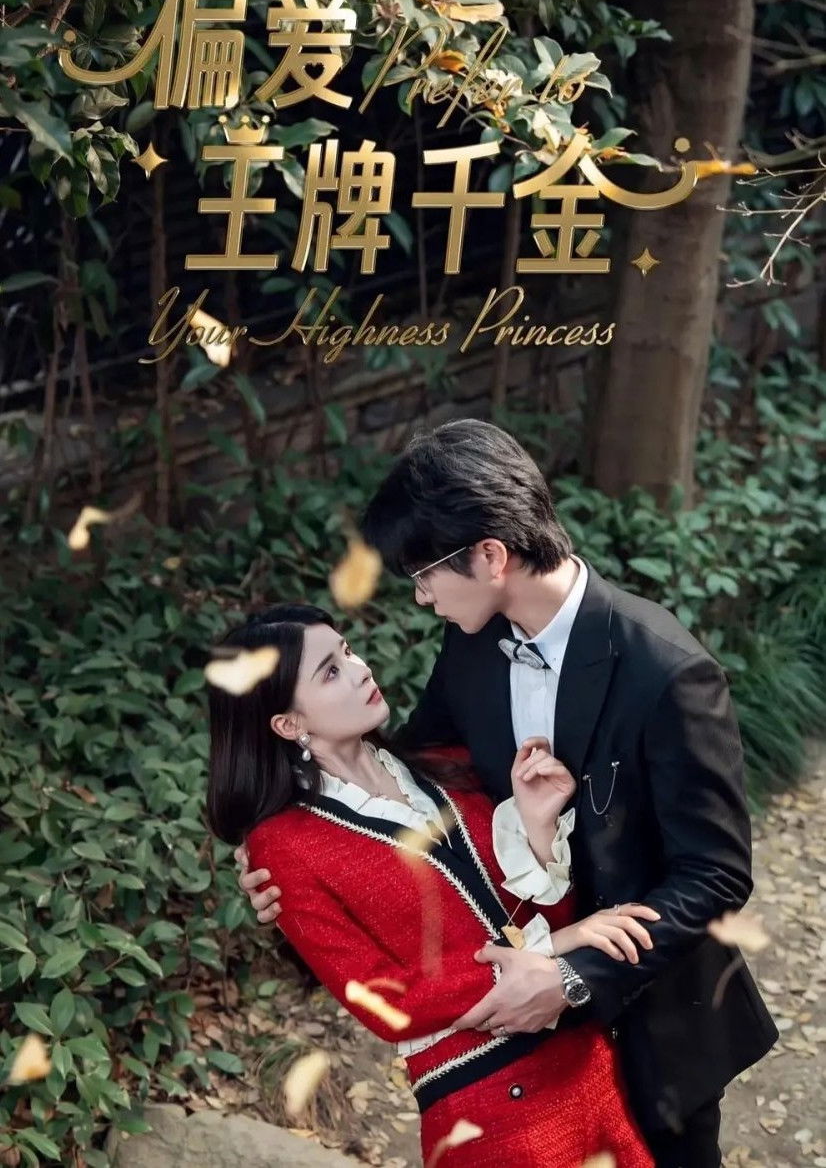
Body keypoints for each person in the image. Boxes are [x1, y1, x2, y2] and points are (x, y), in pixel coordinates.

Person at [237, 420, 778, 1168]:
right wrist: (285, 866)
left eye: (424, 573)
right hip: (524, 1060)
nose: (420, 596)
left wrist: (569, 975)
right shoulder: (472, 642)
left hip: (655, 1019)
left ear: (491, 556)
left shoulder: (666, 670)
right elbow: (407, 774)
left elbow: (715, 874)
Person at [209, 602, 657, 1167]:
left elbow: (528, 912)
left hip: (587, 1062)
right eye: (330, 671)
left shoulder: (443, 766)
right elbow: (383, 999)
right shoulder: (283, 845)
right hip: (487, 1105)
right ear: (289, 724)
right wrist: (557, 947)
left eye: (348, 651)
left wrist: (539, 827)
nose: (360, 669)